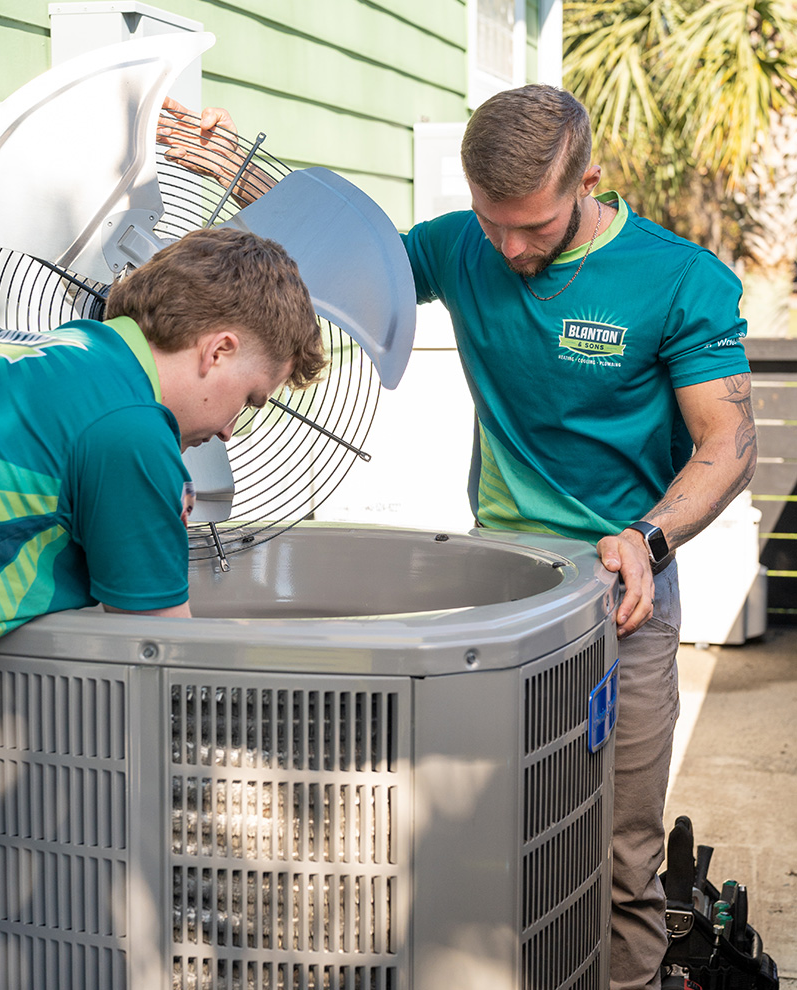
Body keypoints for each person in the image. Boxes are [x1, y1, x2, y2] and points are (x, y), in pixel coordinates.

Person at [158, 86, 757, 990]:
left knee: (619, 860)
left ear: (590, 179)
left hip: (623, 588)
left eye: (534, 226)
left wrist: (648, 538)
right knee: (487, 843)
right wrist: (243, 171)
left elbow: (729, 442)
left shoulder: (678, 281)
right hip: (501, 585)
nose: (510, 248)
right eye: (492, 223)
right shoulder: (461, 244)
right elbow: (350, 262)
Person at [0, 226, 325, 990]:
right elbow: (161, 653)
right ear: (215, 350)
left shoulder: (24, 355)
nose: (230, 427)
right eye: (248, 397)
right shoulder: (125, 426)